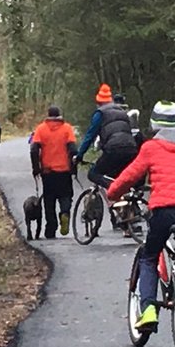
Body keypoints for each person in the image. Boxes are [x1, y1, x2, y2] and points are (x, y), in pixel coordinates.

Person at [107, 100, 175, 331]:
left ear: (154, 124)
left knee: (149, 255)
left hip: (164, 212)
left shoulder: (151, 148)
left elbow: (130, 175)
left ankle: (149, 310)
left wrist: (113, 193)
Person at [30, 105, 78, 239]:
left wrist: (36, 168)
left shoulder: (41, 129)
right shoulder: (67, 128)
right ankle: (65, 213)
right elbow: (73, 149)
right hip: (64, 170)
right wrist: (73, 168)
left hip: (48, 172)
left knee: (49, 200)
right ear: (60, 115)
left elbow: (34, 149)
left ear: (48, 115)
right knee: (66, 196)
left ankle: (51, 228)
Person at [75, 86, 139, 188]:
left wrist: (79, 155)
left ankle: (115, 190)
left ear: (98, 102)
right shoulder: (122, 112)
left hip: (114, 149)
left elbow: (90, 136)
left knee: (93, 174)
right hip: (131, 149)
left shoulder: (100, 113)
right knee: (118, 175)